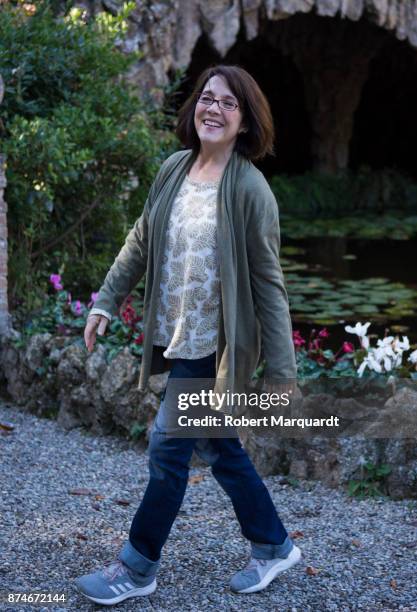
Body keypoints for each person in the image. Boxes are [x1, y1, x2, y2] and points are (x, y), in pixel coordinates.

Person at [75, 64, 301, 606]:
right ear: (193, 109)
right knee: (221, 451)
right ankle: (273, 545)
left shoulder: (250, 189)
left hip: (214, 349)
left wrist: (283, 373)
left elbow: (270, 286)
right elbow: (140, 240)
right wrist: (107, 300)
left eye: (228, 103)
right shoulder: (175, 169)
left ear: (245, 121)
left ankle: (137, 567)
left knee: (167, 451)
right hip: (177, 336)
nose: (213, 109)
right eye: (206, 98)